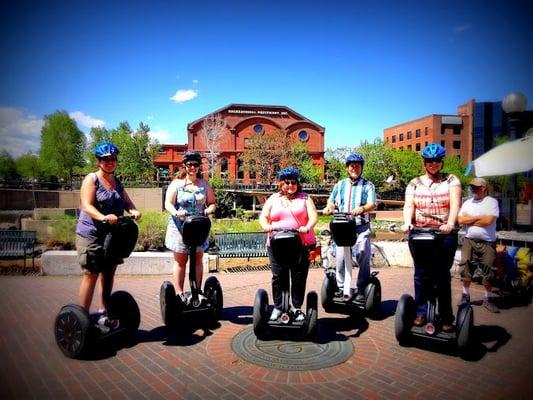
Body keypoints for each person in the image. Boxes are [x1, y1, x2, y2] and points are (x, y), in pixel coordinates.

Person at [76, 142, 141, 329]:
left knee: (109, 272)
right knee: (92, 273)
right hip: (91, 234)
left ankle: (103, 312)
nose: (110, 162)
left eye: (112, 159)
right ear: (99, 161)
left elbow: (128, 203)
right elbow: (86, 206)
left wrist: (134, 211)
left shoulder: (117, 182)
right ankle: (82, 319)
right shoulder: (92, 179)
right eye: (106, 159)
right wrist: (103, 217)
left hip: (112, 236)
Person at [401, 143, 461, 332]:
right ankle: (420, 312)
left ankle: (445, 315)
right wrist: (407, 222)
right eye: (429, 161)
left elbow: (455, 205)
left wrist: (450, 223)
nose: (433, 164)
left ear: (441, 162)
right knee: (421, 274)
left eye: (436, 160)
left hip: (444, 234)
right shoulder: (414, 183)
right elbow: (409, 206)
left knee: (442, 276)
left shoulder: (451, 180)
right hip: (420, 233)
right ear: (424, 162)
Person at [259, 167, 318, 321]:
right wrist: (266, 226)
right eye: (287, 182)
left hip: (300, 243)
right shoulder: (273, 198)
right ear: (281, 184)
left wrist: (307, 227)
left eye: (294, 182)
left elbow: (313, 217)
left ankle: (297, 308)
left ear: (298, 184)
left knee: (298, 276)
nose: (291, 185)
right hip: (276, 243)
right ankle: (279, 307)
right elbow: (263, 216)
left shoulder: (305, 198)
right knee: (279, 276)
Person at [322, 153, 376, 302]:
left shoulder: (368, 185)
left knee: (363, 251)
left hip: (360, 226)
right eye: (352, 166)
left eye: (357, 166)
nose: (354, 168)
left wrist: (363, 208)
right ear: (347, 168)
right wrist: (329, 208)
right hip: (342, 227)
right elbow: (331, 201)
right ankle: (341, 287)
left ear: (361, 168)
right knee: (340, 258)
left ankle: (361, 287)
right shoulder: (340, 185)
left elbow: (372, 203)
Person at [164, 150, 216, 301]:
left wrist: (208, 210)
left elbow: (212, 203)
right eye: (189, 165)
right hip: (180, 227)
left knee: (198, 260)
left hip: (198, 227)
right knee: (181, 261)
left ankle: (197, 292)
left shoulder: (204, 184)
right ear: (184, 166)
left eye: (195, 165)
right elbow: (168, 203)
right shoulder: (177, 184)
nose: (192, 168)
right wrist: (175, 212)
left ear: (199, 166)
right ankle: (179, 293)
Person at [458, 177, 500, 313]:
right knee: (465, 266)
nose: (473, 189)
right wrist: (478, 217)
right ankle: (465, 295)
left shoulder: (491, 202)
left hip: (487, 242)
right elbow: (460, 220)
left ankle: (488, 298)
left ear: (484, 188)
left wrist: (469, 219)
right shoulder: (467, 203)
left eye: (476, 187)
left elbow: (488, 220)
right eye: (472, 187)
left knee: (489, 269)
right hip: (469, 240)